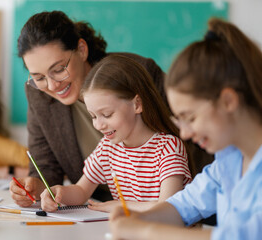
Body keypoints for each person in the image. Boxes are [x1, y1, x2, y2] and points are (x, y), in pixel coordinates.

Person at [10, 10, 211, 206]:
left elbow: (193, 134)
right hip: (103, 212)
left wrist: (125, 206)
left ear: (81, 49)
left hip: (189, 204)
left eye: (58, 69)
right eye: (38, 78)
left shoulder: (136, 75)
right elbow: (48, 167)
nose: (52, 85)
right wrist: (38, 187)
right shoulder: (40, 95)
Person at [109, 18, 262, 240]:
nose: (185, 134)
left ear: (228, 101)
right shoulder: (229, 158)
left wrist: (146, 231)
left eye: (190, 117)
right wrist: (140, 218)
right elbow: (185, 205)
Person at [40, 54, 191, 213]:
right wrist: (58, 193)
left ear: (137, 104)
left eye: (107, 114)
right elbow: (81, 190)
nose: (98, 125)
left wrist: (120, 205)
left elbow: (168, 208)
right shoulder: (108, 148)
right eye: (93, 116)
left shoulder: (168, 148)